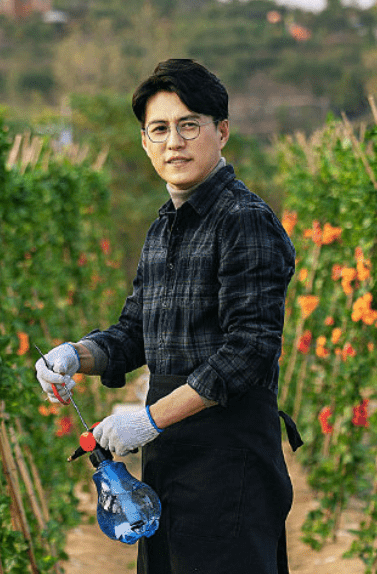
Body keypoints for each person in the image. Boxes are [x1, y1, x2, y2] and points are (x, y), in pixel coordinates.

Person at [36, 58, 302, 574]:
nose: (173, 142)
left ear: (221, 132)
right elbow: (134, 333)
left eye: (189, 125)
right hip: (170, 462)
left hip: (231, 464)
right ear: (144, 141)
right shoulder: (164, 228)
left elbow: (249, 349)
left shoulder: (243, 220)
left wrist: (152, 418)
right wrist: (75, 355)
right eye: (159, 129)